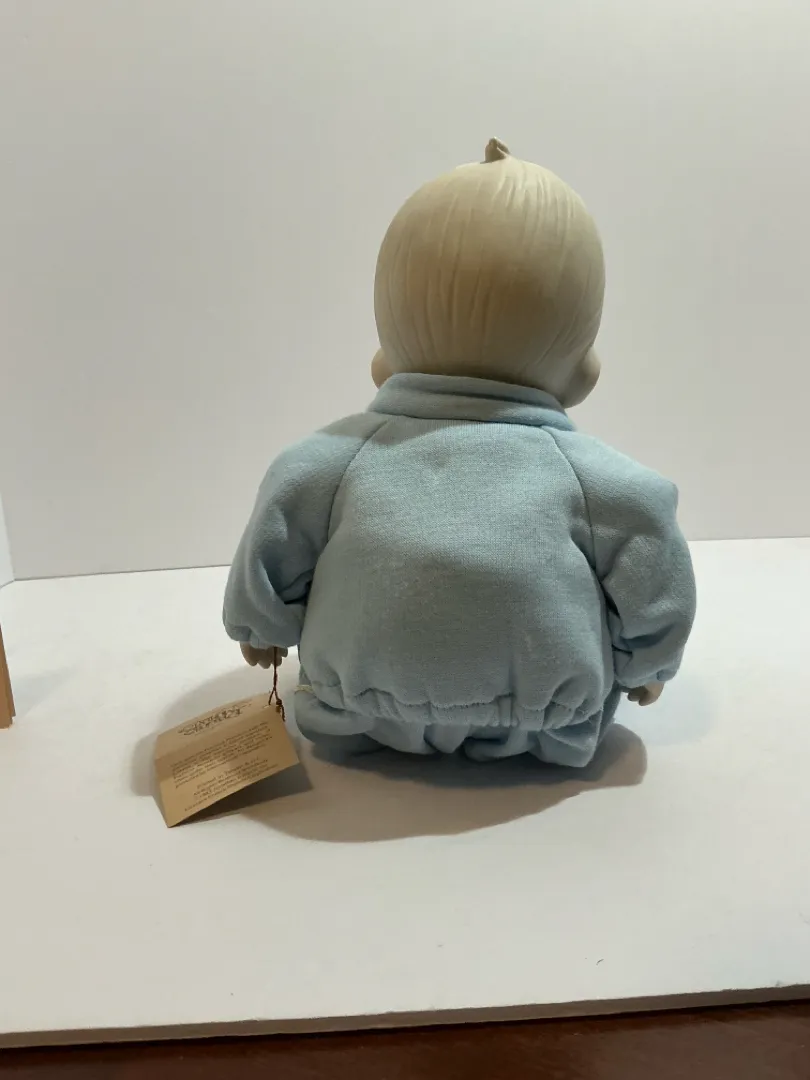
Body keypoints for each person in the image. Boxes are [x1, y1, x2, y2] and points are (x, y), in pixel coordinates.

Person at [224, 140, 696, 766]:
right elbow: (648, 542)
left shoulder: (336, 458)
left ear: (383, 359)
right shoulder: (595, 479)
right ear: (584, 370)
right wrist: (648, 662)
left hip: (354, 708)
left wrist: (261, 627)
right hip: (546, 723)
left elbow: (283, 507)